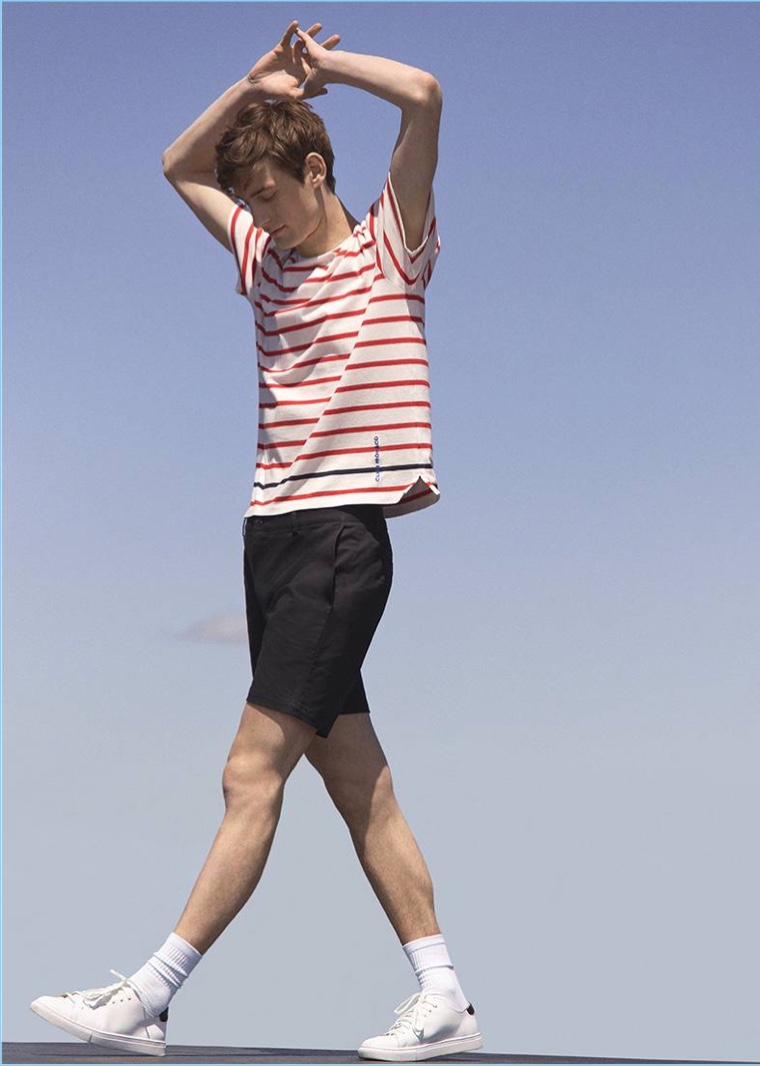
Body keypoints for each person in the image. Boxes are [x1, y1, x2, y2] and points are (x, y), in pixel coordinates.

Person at [30, 20, 481, 1063]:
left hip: (339, 539)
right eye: (254, 203)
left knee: (248, 772)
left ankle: (148, 996)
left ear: (315, 169)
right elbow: (176, 164)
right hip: (270, 540)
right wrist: (249, 84)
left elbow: (421, 92)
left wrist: (321, 72)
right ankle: (443, 991)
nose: (263, 218)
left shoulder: (387, 245)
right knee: (355, 778)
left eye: (273, 193)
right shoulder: (260, 261)